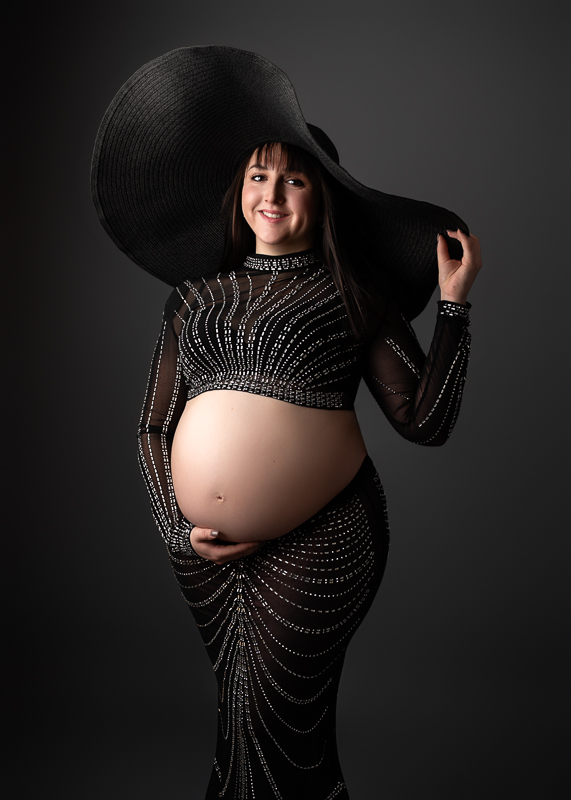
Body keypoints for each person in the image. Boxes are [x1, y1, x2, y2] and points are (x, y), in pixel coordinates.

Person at [92, 46, 481, 800]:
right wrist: (178, 528)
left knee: (278, 709)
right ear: (238, 189)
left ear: (323, 199)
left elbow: (425, 423)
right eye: (258, 176)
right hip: (201, 552)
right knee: (237, 713)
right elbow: (150, 429)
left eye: (294, 180)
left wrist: (454, 310)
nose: (272, 193)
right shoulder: (194, 298)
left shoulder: (355, 296)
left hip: (326, 536)